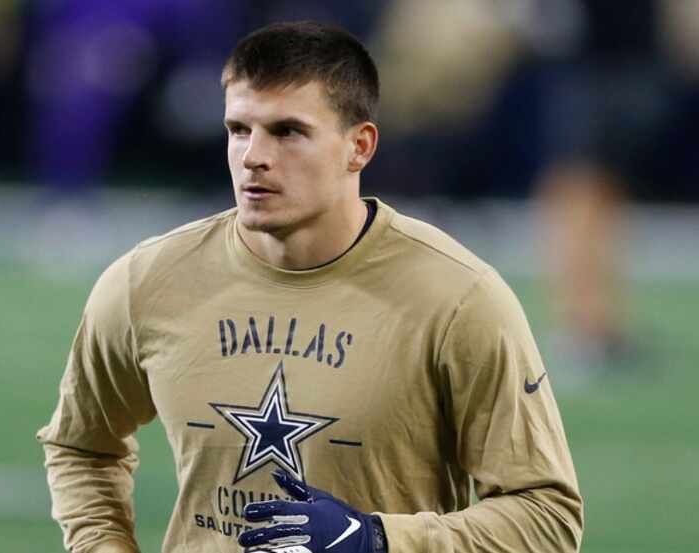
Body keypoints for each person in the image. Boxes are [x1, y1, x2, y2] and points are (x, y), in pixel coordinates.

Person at [37, 21, 583, 553]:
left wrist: (376, 540)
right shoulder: (146, 281)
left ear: (359, 147)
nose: (253, 156)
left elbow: (547, 518)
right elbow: (80, 446)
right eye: (238, 130)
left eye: (288, 131)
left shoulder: (459, 298)